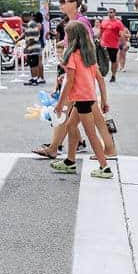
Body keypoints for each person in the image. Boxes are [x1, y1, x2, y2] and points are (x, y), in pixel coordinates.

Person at [46, 21, 113, 179]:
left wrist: (60, 104)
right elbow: (99, 78)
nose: (65, 38)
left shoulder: (73, 56)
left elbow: (69, 82)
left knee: (91, 134)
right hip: (87, 97)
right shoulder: (88, 55)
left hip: (82, 100)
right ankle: (70, 161)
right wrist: (104, 101)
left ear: (72, 37)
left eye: (67, 35)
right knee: (70, 126)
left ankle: (105, 167)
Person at [98, 8, 126, 83]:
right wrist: (98, 40)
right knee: (101, 60)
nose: (110, 14)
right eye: (108, 13)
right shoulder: (104, 22)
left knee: (113, 61)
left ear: (114, 13)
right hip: (103, 44)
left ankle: (113, 75)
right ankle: (101, 74)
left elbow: (122, 34)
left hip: (113, 45)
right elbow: (100, 32)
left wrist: (122, 43)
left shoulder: (118, 23)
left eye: (111, 12)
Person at [22, 12, 45, 86]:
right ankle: (33, 78)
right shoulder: (31, 24)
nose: (22, 19)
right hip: (32, 47)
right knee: (32, 64)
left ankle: (35, 79)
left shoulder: (31, 24)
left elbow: (33, 38)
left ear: (28, 16)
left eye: (23, 17)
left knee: (34, 64)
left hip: (33, 47)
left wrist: (26, 47)